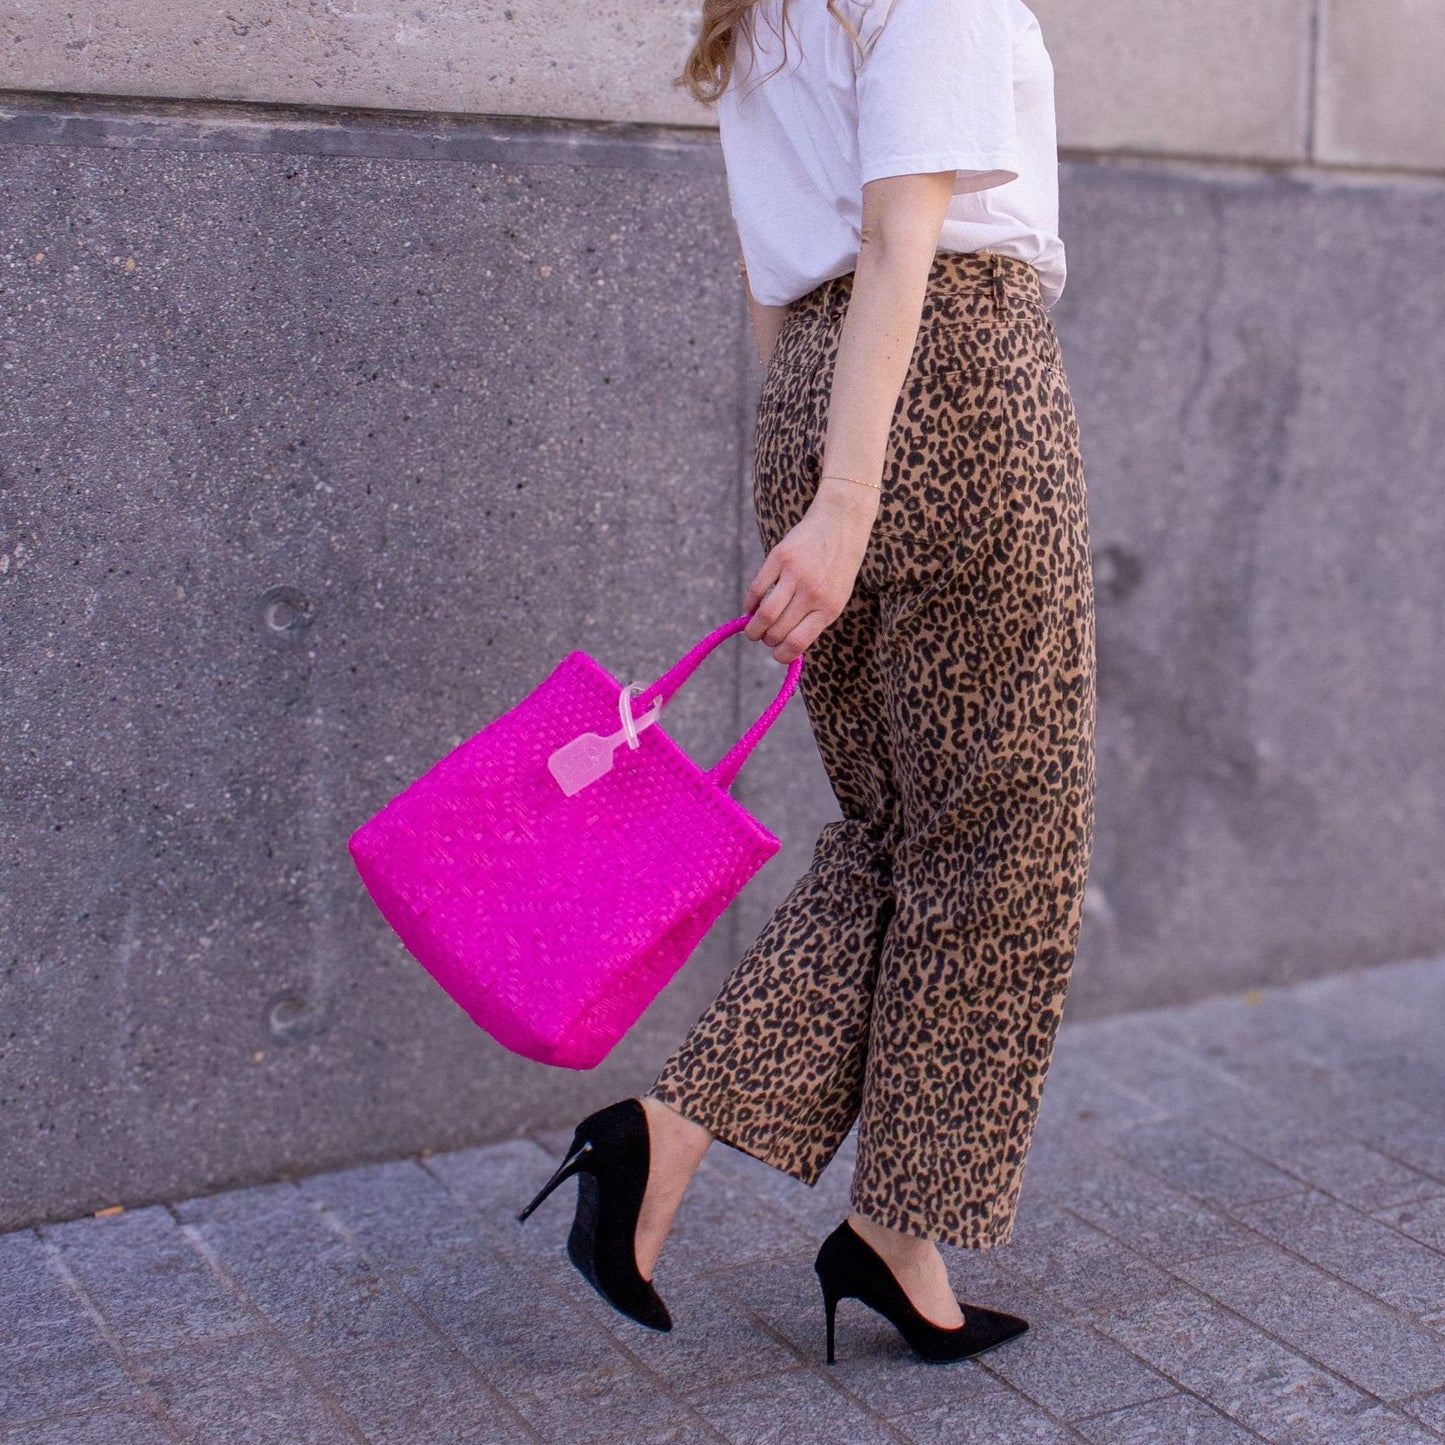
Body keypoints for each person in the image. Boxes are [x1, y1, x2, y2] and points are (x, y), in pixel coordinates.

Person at [517, 0, 1096, 1367]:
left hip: (814, 402)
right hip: (952, 381)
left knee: (900, 837)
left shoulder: (753, 15)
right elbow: (906, 239)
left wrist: (820, 483)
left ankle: (694, 1152)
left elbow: (768, 278)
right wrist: (852, 501)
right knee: (1000, 843)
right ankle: (881, 1213)